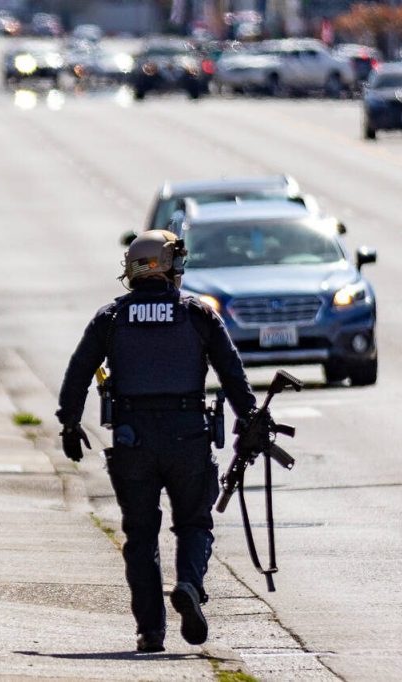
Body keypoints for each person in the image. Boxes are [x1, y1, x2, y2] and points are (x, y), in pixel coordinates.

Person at [56, 230, 256, 652]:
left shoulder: (111, 318)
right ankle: (188, 584)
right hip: (188, 436)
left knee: (141, 536)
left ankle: (151, 631)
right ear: (170, 265)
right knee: (194, 523)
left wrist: (70, 424)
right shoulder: (199, 315)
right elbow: (232, 375)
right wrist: (251, 419)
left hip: (133, 440)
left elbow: (78, 373)